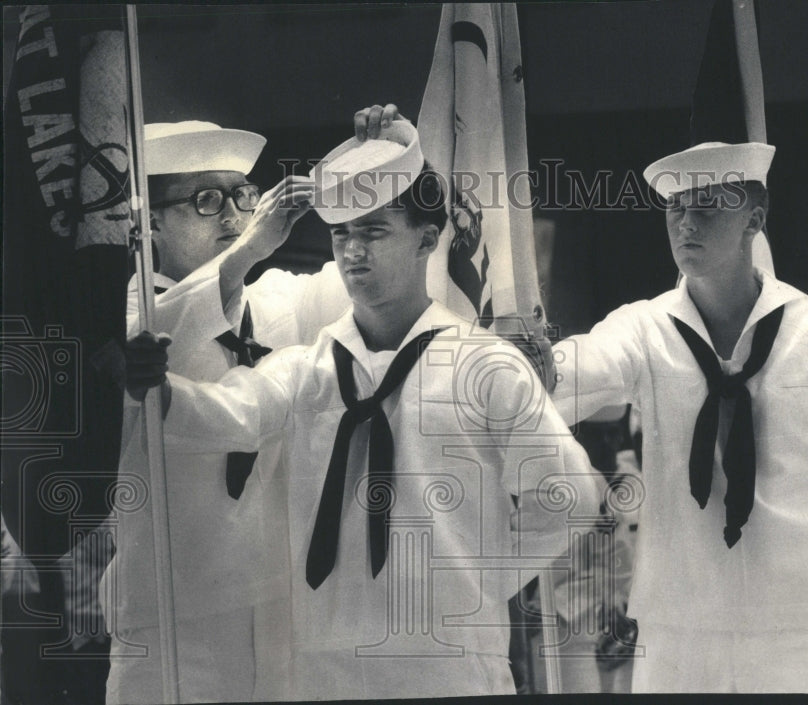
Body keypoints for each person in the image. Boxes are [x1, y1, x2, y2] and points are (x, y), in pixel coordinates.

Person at [126, 120, 602, 700]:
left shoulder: (481, 364)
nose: (353, 250)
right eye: (342, 234)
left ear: (428, 240)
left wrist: (479, 581)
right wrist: (163, 390)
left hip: (442, 658)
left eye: (371, 231)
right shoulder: (304, 367)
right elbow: (230, 410)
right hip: (284, 647)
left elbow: (570, 494)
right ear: (149, 221)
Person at [549, 142, 808, 693]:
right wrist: (533, 363)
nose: (686, 223)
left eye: (707, 206)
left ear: (754, 220)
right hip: (682, 631)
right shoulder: (643, 330)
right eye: (675, 208)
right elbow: (571, 374)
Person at [102, 109, 399, 703]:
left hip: (281, 603)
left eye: (243, 195)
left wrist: (385, 166)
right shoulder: (126, 310)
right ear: (149, 223)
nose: (237, 216)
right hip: (171, 615)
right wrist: (252, 249)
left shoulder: (276, 298)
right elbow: (155, 342)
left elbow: (385, 284)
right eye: (207, 200)